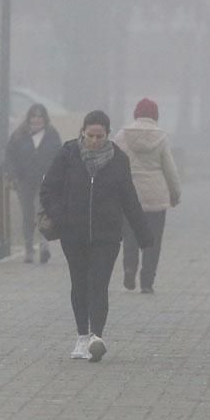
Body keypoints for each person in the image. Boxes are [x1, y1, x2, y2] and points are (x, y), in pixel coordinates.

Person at [40, 110, 154, 362]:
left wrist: (143, 234)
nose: (94, 140)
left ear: (107, 134)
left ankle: (96, 337)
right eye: (90, 135)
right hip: (74, 234)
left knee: (99, 285)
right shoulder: (67, 155)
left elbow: (129, 198)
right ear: (82, 132)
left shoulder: (119, 160)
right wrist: (61, 216)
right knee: (79, 284)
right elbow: (48, 190)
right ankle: (81, 336)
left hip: (107, 235)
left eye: (99, 136)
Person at [112, 98, 181, 294]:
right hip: (156, 197)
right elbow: (170, 169)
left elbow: (114, 164)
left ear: (136, 113)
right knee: (153, 240)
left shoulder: (122, 135)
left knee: (130, 236)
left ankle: (129, 267)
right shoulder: (161, 137)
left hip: (129, 195)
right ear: (155, 115)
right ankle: (147, 281)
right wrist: (175, 194)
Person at [6, 103, 63, 264]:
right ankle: (28, 248)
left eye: (40, 116)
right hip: (24, 181)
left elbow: (60, 156)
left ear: (45, 118)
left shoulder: (52, 135)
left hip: (45, 181)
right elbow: (9, 156)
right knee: (27, 214)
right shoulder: (19, 135)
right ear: (29, 118)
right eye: (34, 116)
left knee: (41, 212)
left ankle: (44, 245)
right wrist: (12, 174)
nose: (37, 119)